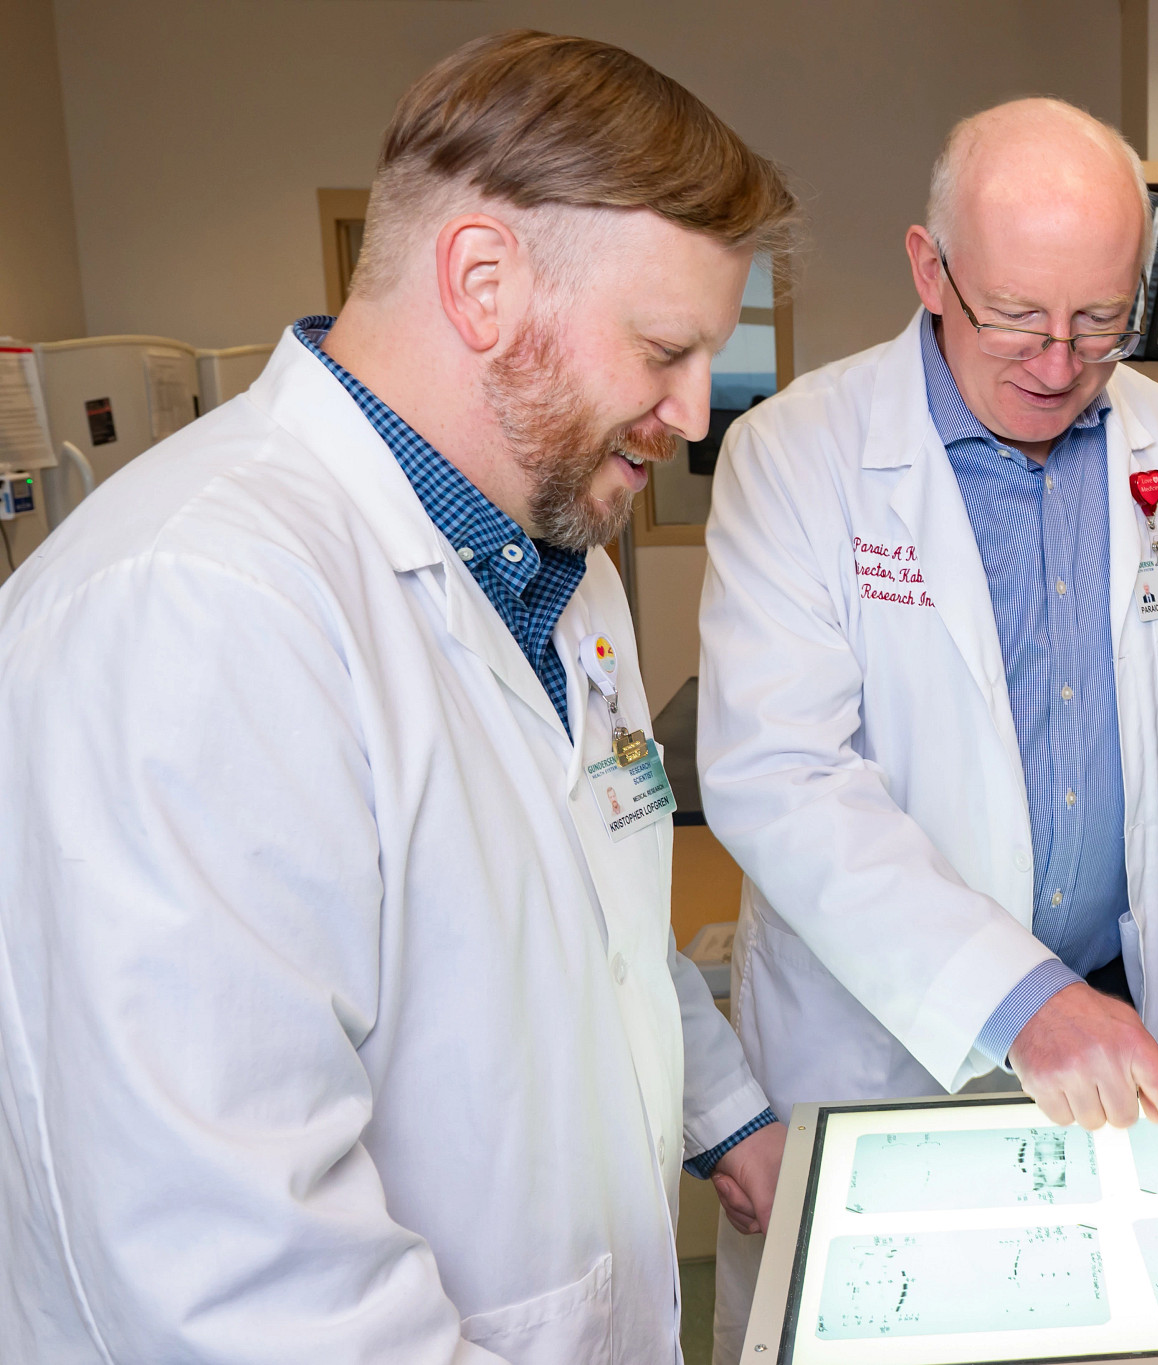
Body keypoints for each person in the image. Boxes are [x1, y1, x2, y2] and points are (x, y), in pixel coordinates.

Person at [0, 32, 795, 1362]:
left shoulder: (559, 569)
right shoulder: (194, 609)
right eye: (664, 349)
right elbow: (235, 1270)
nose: (693, 414)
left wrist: (728, 1112)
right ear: (482, 282)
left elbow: (600, 918)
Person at [697, 98, 1158, 1357]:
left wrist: (1095, 979)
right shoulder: (797, 455)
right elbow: (781, 778)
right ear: (927, 267)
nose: (1058, 363)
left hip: (1107, 1025)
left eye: (1100, 320)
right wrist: (1015, 995)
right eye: (1017, 318)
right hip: (880, 1042)